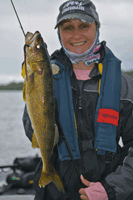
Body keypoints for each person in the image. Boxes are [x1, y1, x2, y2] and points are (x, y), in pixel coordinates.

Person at [22, 0, 133, 199]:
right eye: (68, 28)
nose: (76, 34)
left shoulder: (123, 85)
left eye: (84, 26)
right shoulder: (46, 78)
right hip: (54, 193)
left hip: (107, 191)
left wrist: (113, 189)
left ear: (96, 28)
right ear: (59, 33)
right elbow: (32, 129)